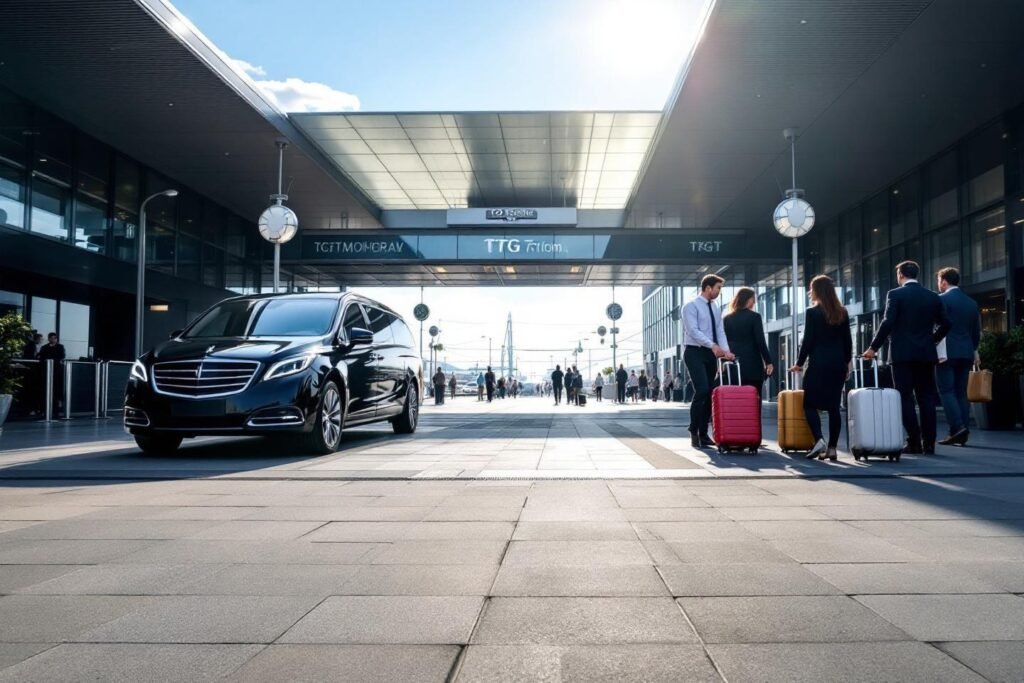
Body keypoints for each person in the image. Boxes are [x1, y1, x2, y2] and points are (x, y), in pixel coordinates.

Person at [864, 260, 951, 455]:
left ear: (900, 275)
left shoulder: (895, 294)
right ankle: (929, 443)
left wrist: (873, 347)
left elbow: (888, 322)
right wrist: (932, 340)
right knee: (926, 398)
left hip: (902, 355)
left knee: (904, 397)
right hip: (926, 354)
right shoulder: (932, 296)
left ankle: (914, 441)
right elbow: (946, 324)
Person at [789, 276, 853, 460]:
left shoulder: (812, 312)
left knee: (809, 404)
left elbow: (808, 341)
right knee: (834, 407)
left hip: (818, 364)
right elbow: (847, 341)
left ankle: (819, 439)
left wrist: (799, 363)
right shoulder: (842, 312)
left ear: (818, 290)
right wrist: (847, 362)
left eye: (811, 288)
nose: (810, 292)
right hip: (837, 365)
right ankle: (832, 448)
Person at [682, 274, 735, 448]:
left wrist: (726, 351)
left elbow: (720, 331)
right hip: (694, 352)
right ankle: (693, 429)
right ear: (708, 288)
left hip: (710, 353)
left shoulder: (715, 307)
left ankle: (703, 433)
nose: (720, 291)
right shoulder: (690, 306)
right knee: (702, 389)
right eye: (718, 288)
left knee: (710, 392)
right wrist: (713, 345)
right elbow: (693, 331)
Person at [934, 267, 981, 446]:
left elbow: (936, 326)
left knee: (947, 391)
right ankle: (963, 432)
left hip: (946, 352)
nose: (938, 285)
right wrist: (974, 350)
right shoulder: (971, 303)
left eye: (939, 281)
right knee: (961, 393)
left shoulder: (941, 300)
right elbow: (975, 331)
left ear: (944, 281)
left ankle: (957, 428)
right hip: (966, 352)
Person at [723, 286, 774, 390]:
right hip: (752, 365)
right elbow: (760, 341)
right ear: (748, 299)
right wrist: (768, 362)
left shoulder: (727, 318)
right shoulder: (755, 317)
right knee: (753, 396)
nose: (754, 302)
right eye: (753, 299)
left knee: (734, 396)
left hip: (733, 364)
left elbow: (724, 342)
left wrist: (723, 362)